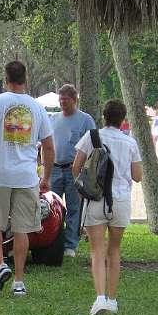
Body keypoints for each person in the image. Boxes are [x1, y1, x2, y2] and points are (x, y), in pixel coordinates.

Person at [0, 60, 55, 296]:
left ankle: (0, 265)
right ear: (25, 79)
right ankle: (19, 281)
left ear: (5, 80)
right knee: (22, 229)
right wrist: (46, 177)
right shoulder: (37, 108)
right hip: (26, 177)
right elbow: (49, 147)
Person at [73, 99, 142, 315]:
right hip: (120, 200)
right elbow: (137, 176)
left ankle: (100, 297)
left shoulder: (93, 136)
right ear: (123, 120)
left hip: (96, 198)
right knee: (114, 249)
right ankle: (112, 299)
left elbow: (76, 167)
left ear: (104, 116)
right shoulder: (130, 142)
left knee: (97, 250)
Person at [48, 83, 96, 258]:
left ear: (74, 100)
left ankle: (70, 245)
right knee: (53, 207)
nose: (62, 103)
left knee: (74, 207)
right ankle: (53, 240)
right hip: (54, 168)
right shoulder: (52, 119)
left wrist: (85, 170)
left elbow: (94, 147)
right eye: (60, 99)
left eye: (66, 100)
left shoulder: (85, 120)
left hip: (74, 169)